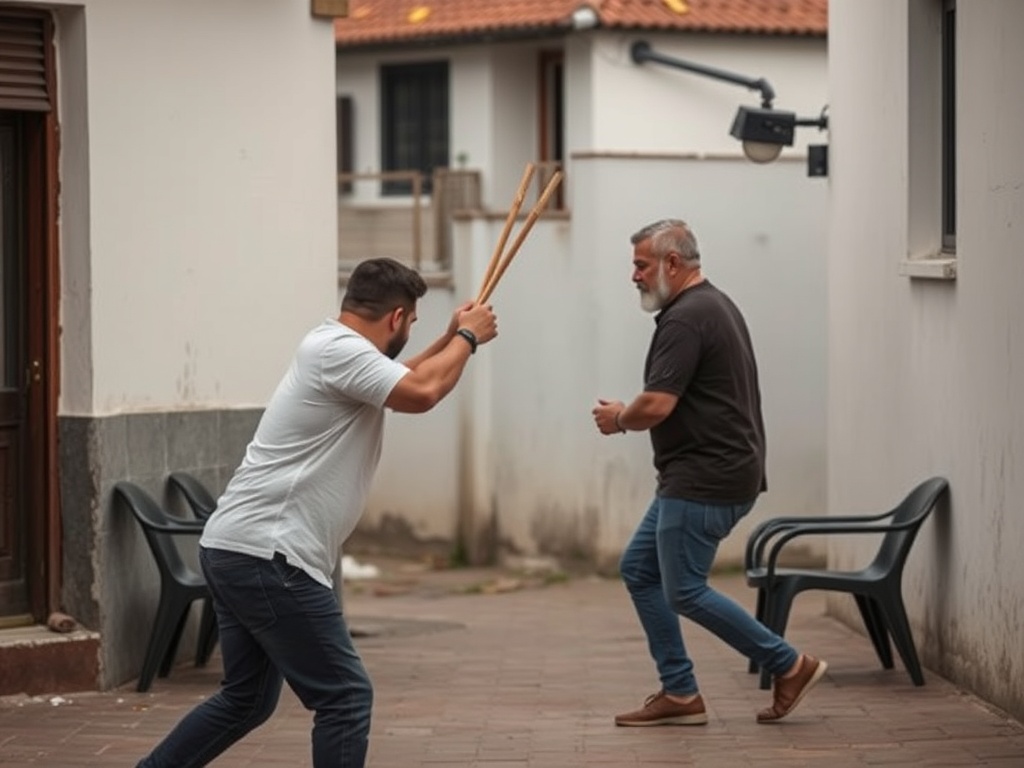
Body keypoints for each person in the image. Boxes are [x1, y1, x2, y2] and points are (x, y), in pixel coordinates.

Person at [137, 257, 498, 768]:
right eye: (411, 324)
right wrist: (469, 339)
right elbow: (422, 393)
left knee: (245, 701)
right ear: (396, 318)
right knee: (346, 697)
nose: (409, 333)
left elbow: (402, 378)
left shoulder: (334, 348)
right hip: (270, 554)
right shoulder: (339, 350)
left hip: (239, 547)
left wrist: (450, 339)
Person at [592, 219, 826, 727]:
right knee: (640, 569)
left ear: (671, 264)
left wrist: (619, 419)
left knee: (685, 590)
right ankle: (679, 692)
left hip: (705, 478)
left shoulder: (685, 318)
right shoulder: (709, 305)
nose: (633, 276)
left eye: (640, 265)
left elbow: (656, 403)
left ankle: (789, 664)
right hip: (707, 473)